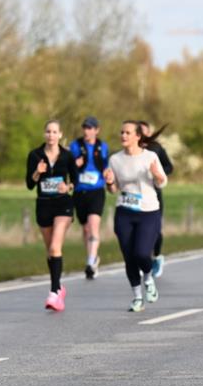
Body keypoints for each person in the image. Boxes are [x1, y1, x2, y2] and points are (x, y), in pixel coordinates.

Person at [106, 121, 167, 313]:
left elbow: (162, 182)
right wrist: (109, 182)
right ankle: (137, 297)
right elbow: (113, 189)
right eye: (122, 132)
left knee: (141, 253)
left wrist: (157, 175)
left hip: (148, 211)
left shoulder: (150, 156)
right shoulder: (115, 159)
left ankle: (148, 277)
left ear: (137, 137)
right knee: (129, 257)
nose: (123, 135)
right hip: (124, 211)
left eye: (128, 132)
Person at [26, 120, 77, 311]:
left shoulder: (67, 156)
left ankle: (54, 292)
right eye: (48, 131)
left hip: (63, 204)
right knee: (50, 252)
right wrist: (37, 173)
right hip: (44, 205)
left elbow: (77, 181)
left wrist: (68, 187)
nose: (51, 135)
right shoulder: (35, 155)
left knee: (56, 248)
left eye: (55, 132)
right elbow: (30, 185)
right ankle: (59, 287)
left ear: (60, 135)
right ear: (44, 134)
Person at [70, 116, 110, 280]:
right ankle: (92, 257)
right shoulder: (75, 145)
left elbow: (106, 165)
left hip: (96, 190)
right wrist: (75, 164)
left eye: (90, 128)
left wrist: (108, 176)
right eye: (85, 128)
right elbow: (68, 165)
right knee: (86, 228)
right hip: (80, 191)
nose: (87, 131)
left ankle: (90, 261)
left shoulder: (103, 146)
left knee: (94, 225)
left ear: (96, 130)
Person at [138, 122, 173, 278]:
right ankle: (143, 258)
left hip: (154, 193)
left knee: (155, 228)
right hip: (136, 195)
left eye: (144, 130)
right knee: (138, 229)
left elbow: (169, 167)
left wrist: (159, 173)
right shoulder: (131, 150)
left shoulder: (156, 148)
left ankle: (156, 256)